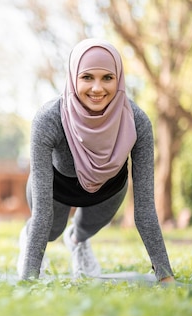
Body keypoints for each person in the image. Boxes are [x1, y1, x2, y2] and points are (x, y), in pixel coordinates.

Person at [17, 38, 175, 283]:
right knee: (50, 231)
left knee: (83, 231)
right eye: (87, 77)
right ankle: (29, 240)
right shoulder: (48, 120)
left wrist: (165, 276)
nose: (98, 88)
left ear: (119, 79)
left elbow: (144, 208)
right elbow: (42, 212)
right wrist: (28, 277)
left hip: (107, 190)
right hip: (55, 190)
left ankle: (77, 242)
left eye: (107, 78)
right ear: (73, 78)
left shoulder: (137, 122)